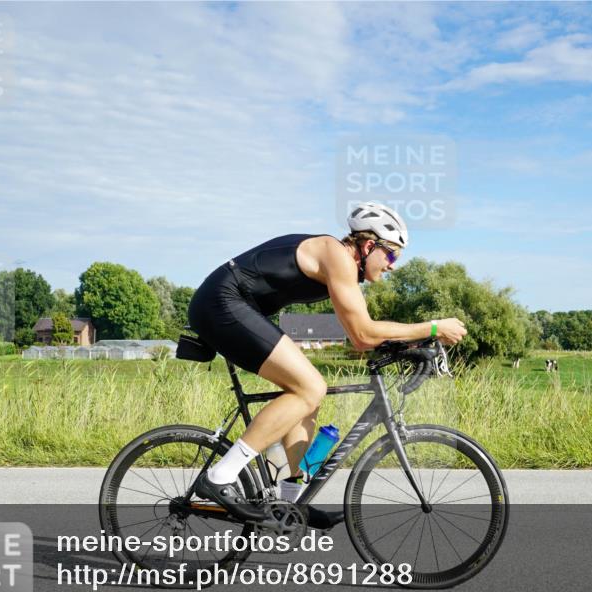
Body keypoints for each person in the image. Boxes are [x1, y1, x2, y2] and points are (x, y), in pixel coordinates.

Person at [189, 202, 467, 525]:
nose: (392, 266)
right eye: (390, 255)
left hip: (237, 306)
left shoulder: (344, 267)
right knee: (311, 387)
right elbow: (364, 333)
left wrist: (413, 345)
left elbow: (360, 336)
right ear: (368, 245)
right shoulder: (336, 255)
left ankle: (290, 504)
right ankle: (220, 476)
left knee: (307, 400)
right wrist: (432, 327)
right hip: (221, 303)